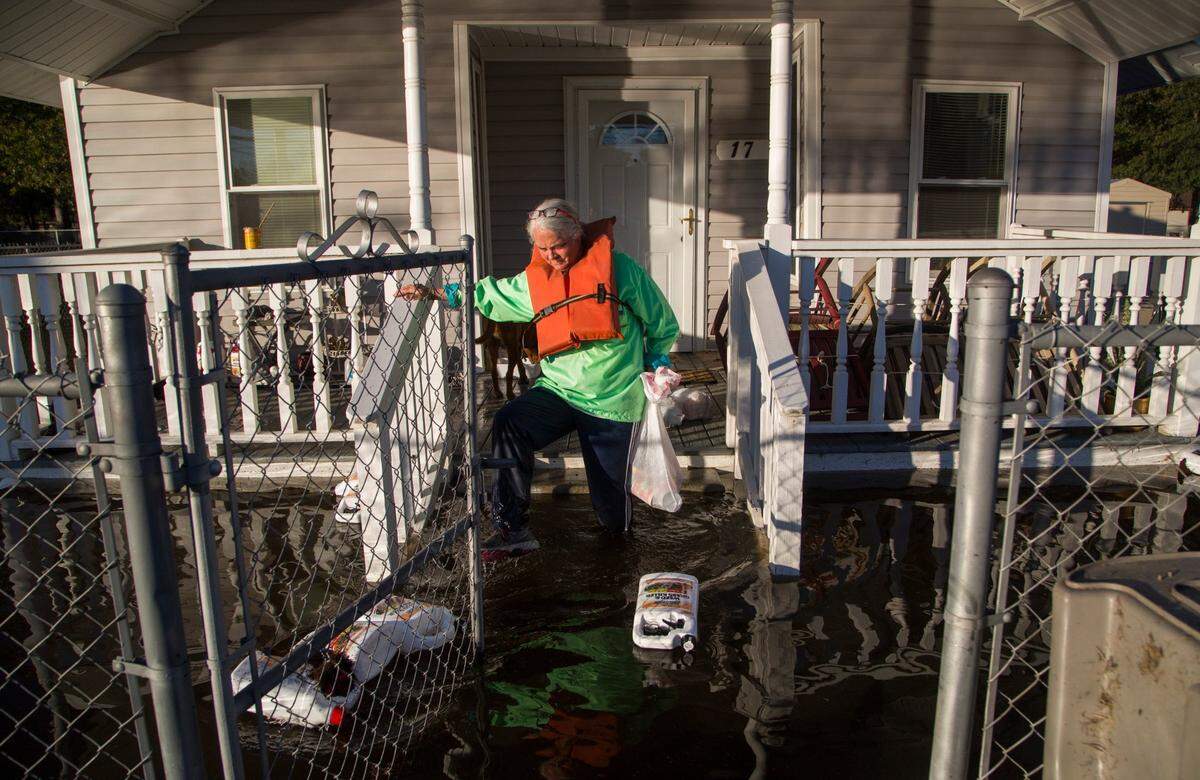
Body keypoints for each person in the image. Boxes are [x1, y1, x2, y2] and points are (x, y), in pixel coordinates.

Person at [398, 198, 680, 561]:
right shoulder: (536, 282)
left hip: (613, 399)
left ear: (577, 235)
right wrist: (441, 293)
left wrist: (657, 359)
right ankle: (511, 529)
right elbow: (490, 296)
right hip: (560, 391)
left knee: (609, 503)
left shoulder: (620, 271)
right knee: (510, 422)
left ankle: (617, 563)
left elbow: (661, 321)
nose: (552, 255)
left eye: (559, 245)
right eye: (543, 248)